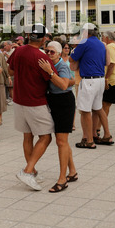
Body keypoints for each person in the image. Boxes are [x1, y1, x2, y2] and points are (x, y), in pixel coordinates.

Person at [8, 24, 57, 191]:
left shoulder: (18, 51)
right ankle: (27, 171)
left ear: (29, 36)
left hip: (18, 99)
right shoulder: (42, 57)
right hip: (35, 101)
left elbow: (10, 71)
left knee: (27, 136)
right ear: (44, 39)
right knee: (45, 137)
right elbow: (54, 79)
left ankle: (32, 171)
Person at [38, 41, 77, 193]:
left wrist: (50, 72)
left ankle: (62, 179)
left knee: (61, 141)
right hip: (53, 100)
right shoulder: (48, 64)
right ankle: (72, 171)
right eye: (46, 51)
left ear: (60, 54)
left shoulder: (61, 66)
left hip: (64, 102)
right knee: (62, 141)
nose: (48, 54)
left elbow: (63, 85)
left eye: (52, 52)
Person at [69, 23, 114, 149]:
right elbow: (107, 62)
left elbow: (72, 58)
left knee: (85, 111)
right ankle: (107, 135)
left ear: (85, 32)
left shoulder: (84, 43)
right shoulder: (101, 44)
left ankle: (89, 140)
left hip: (89, 80)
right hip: (99, 79)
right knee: (98, 108)